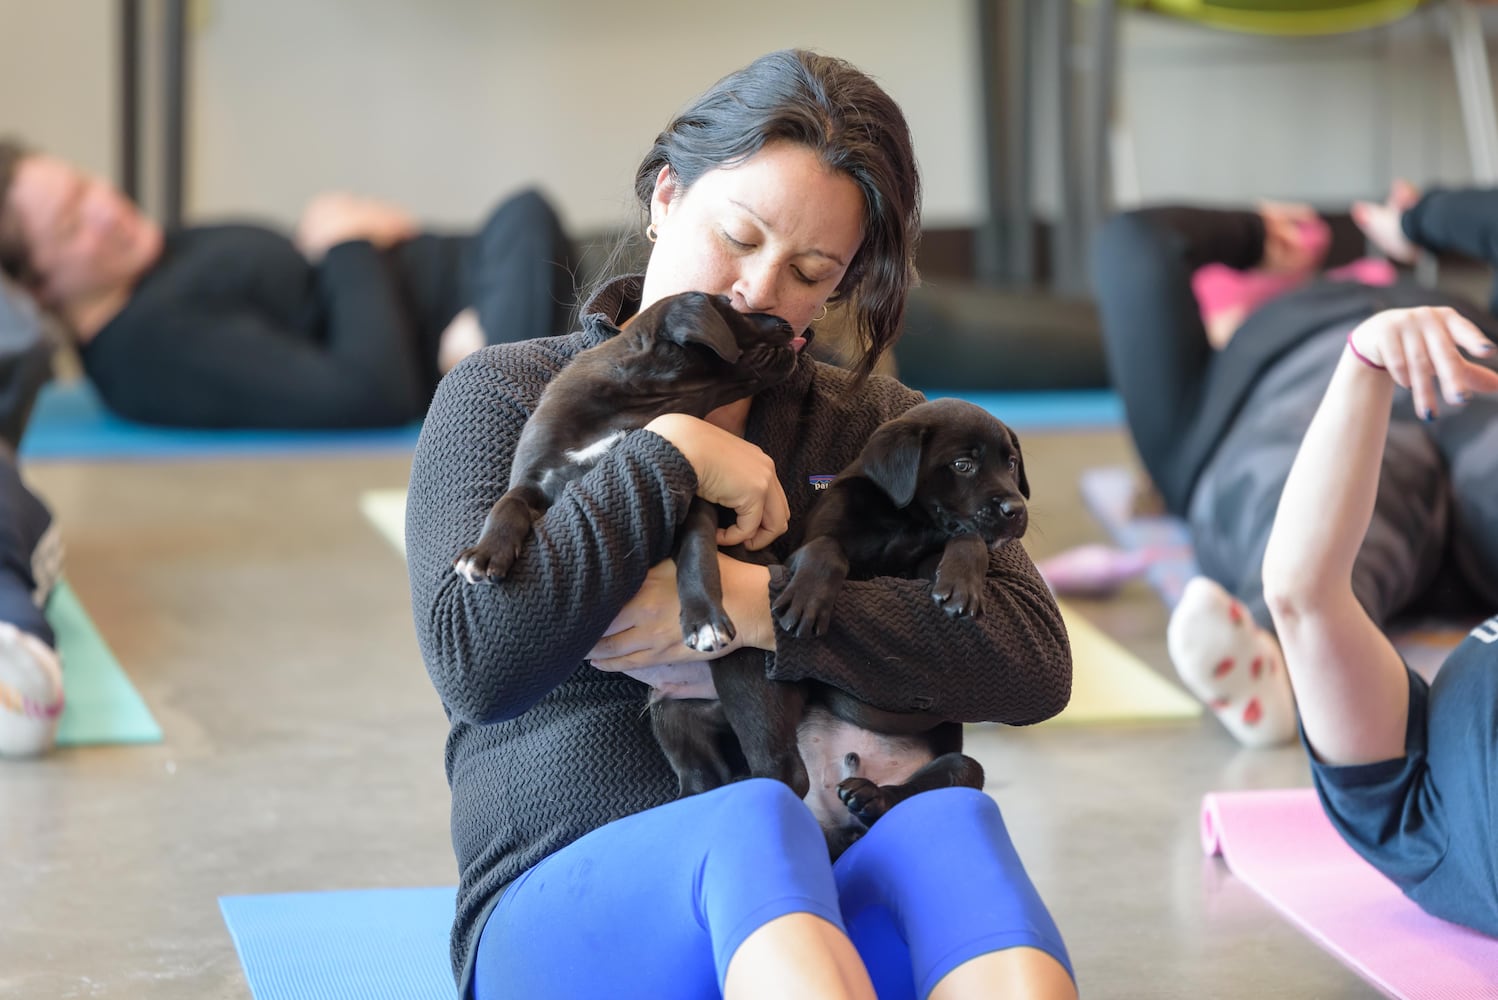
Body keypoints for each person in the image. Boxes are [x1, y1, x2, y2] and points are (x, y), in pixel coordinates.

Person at [406, 49, 1077, 1000]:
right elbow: (475, 661)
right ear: (667, 197)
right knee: (755, 821)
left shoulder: (871, 425)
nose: (760, 291)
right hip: (579, 914)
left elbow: (1032, 662)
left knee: (952, 823)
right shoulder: (506, 394)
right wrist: (673, 452)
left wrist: (767, 607)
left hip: (825, 907)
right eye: (739, 235)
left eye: (810, 272)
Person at [1091, 186, 1498, 748]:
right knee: (1315, 506)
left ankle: (1285, 653)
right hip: (1308, 414)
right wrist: (1255, 234)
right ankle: (1277, 656)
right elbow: (1135, 243)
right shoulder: (1200, 403)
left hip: (1470, 381)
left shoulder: (1456, 311)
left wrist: (1421, 217)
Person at [0, 138, 577, 429]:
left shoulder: (151, 258)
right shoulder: (147, 348)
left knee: (534, 218)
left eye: (84, 186)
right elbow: (368, 392)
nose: (106, 208)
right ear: (40, 289)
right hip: (474, 320)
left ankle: (493, 368)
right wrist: (350, 244)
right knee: (526, 214)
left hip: (490, 287)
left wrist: (348, 231)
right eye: (73, 225)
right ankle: (488, 378)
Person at [1261, 304, 1498, 934]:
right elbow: (1302, 599)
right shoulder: (1432, 825)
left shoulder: (1419, 824)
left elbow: (1302, 597)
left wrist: (1365, 364)